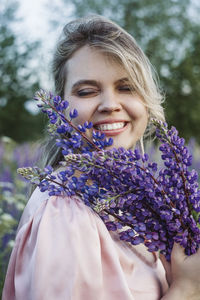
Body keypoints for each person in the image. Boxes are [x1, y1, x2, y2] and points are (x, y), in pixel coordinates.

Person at [2, 15, 200, 300]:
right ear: (62, 106)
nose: (110, 105)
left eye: (126, 87)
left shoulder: (131, 199)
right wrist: (187, 290)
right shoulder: (65, 214)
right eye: (87, 91)